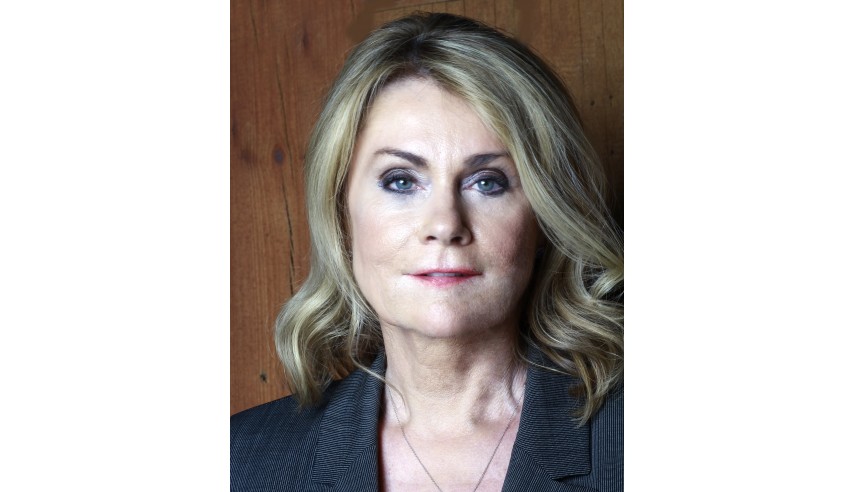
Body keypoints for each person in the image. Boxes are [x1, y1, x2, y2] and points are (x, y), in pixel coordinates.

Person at [231, 12, 623, 492]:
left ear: (544, 218)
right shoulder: (240, 463)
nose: (445, 225)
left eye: (488, 182)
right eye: (401, 181)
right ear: (341, 212)